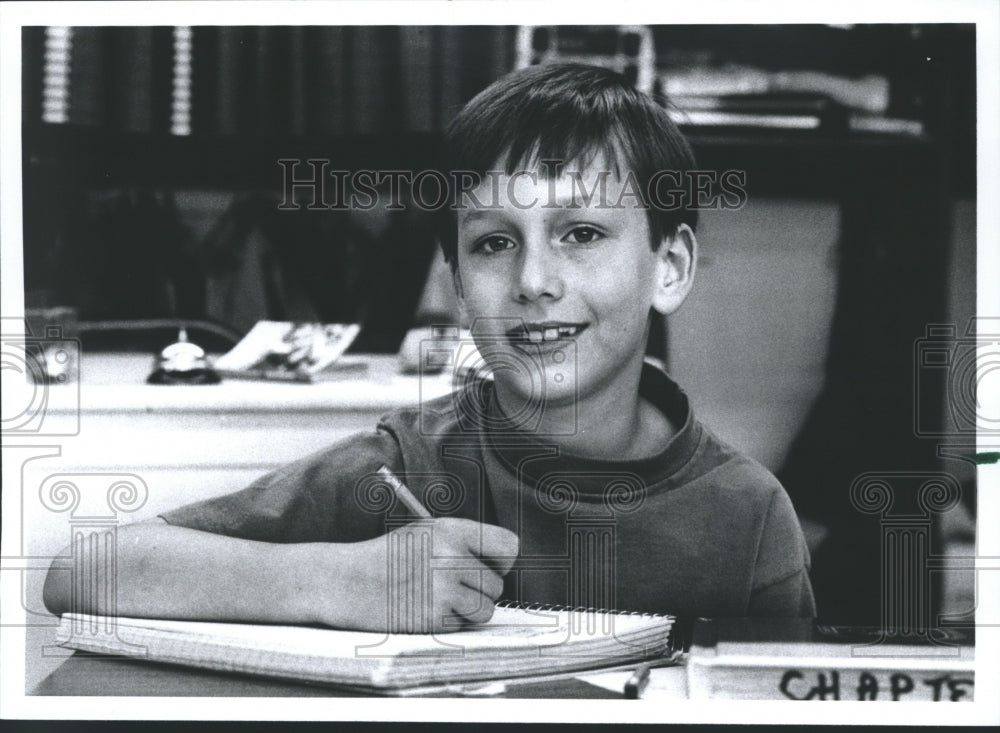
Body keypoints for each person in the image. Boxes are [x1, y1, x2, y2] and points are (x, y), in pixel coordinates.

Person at [43, 63, 815, 633]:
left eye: (582, 233)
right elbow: (82, 570)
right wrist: (339, 578)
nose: (534, 280)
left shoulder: (748, 517)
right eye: (493, 243)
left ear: (669, 267)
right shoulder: (406, 464)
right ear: (454, 281)